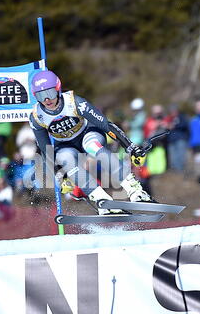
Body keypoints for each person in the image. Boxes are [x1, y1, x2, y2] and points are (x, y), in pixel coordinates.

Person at [29, 70, 153, 215]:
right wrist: (60, 176)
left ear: (58, 89)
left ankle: (134, 189)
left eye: (49, 93)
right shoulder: (36, 117)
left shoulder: (74, 102)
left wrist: (130, 147)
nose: (46, 100)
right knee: (64, 159)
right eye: (40, 96)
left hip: (88, 133)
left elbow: (105, 125)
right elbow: (46, 150)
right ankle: (102, 200)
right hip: (66, 146)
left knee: (92, 146)